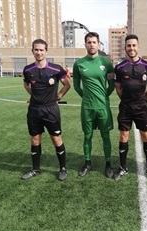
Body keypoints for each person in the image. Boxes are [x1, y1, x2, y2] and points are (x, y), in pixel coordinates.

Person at [21, 39, 71, 181]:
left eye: (41, 50)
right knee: (35, 140)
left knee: (56, 139)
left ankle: (62, 169)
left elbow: (67, 84)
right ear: (32, 51)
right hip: (34, 110)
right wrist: (34, 95)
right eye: (36, 49)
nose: (39, 52)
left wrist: (59, 95)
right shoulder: (28, 70)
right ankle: (35, 169)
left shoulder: (56, 69)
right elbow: (26, 85)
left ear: (46, 51)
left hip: (51, 110)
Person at [113, 34, 147, 181]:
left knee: (146, 136)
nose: (131, 48)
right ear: (125, 48)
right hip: (126, 107)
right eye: (128, 46)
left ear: (138, 47)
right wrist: (125, 100)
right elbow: (118, 88)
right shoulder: (119, 68)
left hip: (142, 107)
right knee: (123, 136)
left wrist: (144, 100)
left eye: (134, 45)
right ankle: (123, 167)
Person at [73, 32, 115, 178]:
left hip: (102, 106)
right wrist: (85, 97)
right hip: (87, 107)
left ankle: (108, 164)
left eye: (94, 42)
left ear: (98, 44)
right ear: (85, 44)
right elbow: (76, 86)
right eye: (89, 42)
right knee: (87, 136)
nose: (91, 45)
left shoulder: (106, 63)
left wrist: (104, 97)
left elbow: (112, 84)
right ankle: (87, 163)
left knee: (105, 136)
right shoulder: (79, 64)